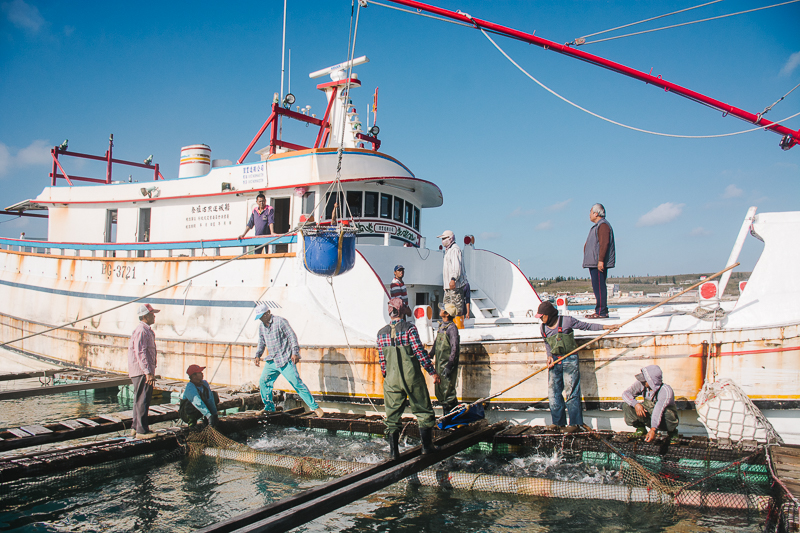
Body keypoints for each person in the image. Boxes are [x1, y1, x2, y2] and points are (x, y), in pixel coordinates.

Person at [536, 301, 618, 432]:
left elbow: (587, 326)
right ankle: (558, 422)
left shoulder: (567, 321)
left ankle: (574, 423)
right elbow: (547, 343)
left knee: (571, 391)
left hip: (570, 359)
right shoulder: (543, 328)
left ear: (549, 315)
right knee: (553, 392)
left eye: (542, 316)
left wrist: (608, 327)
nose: (540, 318)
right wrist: (549, 355)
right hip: (555, 361)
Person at [377, 297, 441, 459]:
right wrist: (432, 372)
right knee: (423, 410)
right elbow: (419, 352)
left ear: (390, 311)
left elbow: (382, 360)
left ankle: (393, 453)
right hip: (412, 377)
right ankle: (427, 447)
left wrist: (387, 375)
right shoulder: (409, 329)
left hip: (391, 380)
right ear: (402, 311)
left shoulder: (381, 333)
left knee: (392, 416)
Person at [253, 303, 324, 418]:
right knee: (264, 381)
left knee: (296, 383)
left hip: (284, 359)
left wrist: (295, 352)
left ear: (268, 313)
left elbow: (292, 337)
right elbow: (261, 342)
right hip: (272, 360)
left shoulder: (280, 322)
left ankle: (315, 407)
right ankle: (269, 407)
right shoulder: (262, 326)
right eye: (259, 317)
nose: (261, 318)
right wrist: (258, 355)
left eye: (262, 316)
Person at [622, 365, 680, 444]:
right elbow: (626, 394)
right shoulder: (641, 384)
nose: (642, 381)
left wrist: (653, 430)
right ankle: (641, 429)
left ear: (652, 381)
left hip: (664, 420)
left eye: (645, 380)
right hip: (650, 417)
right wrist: (636, 404)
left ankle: (672, 433)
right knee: (627, 405)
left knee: (667, 413)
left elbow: (658, 411)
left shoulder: (666, 390)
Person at [128, 303, 159, 439]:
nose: (154, 316)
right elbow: (141, 353)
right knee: (143, 400)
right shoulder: (142, 330)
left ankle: (136, 427)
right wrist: (148, 372)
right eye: (152, 314)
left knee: (139, 399)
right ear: (145, 316)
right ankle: (142, 431)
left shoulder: (145, 330)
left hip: (140, 370)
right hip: (141, 371)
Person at [582, 203, 615, 318]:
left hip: (597, 263)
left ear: (596, 213)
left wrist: (601, 260)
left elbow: (604, 243)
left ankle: (601, 311)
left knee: (600, 286)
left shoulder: (603, 225)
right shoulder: (598, 226)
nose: (590, 215)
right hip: (593, 262)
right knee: (597, 286)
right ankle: (599, 310)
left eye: (591, 212)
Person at [433, 302, 460, 415]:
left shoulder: (452, 328)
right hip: (439, 363)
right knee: (440, 390)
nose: (440, 310)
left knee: (448, 391)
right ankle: (447, 415)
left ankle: (451, 416)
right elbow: (436, 344)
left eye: (443, 309)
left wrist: (450, 365)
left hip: (446, 365)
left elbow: (455, 347)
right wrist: (430, 354)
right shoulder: (441, 326)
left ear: (447, 314)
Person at [438, 230, 469, 324]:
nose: (442, 241)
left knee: (456, 309)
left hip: (455, 286)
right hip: (448, 288)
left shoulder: (455, 249)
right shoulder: (448, 250)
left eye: (444, 238)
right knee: (446, 310)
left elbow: (456, 267)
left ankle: (458, 328)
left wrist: (453, 279)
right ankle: (448, 328)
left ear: (450, 238)